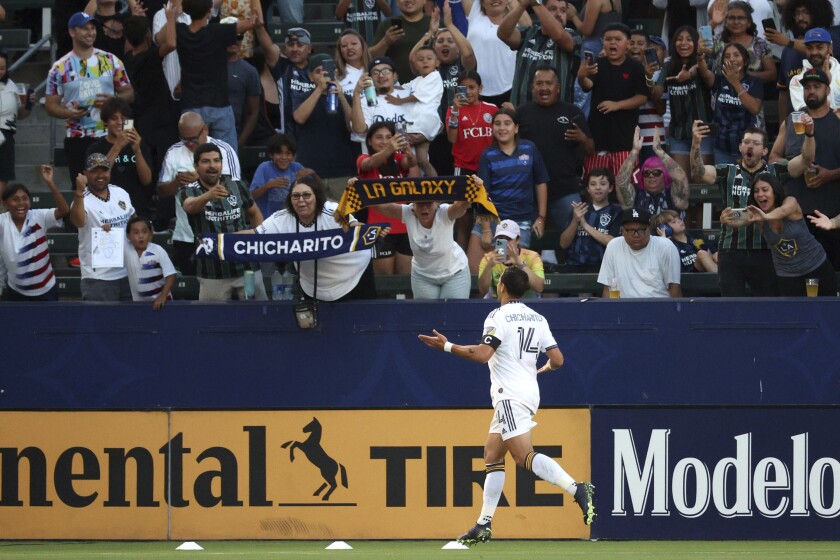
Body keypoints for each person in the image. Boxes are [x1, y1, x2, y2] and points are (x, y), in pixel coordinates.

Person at [418, 266, 595, 547]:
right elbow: (559, 359)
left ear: (501, 286)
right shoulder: (538, 317)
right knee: (492, 454)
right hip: (526, 393)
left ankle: (577, 489)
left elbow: (483, 353)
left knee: (523, 456)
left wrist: (448, 347)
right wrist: (540, 370)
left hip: (510, 395)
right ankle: (483, 524)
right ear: (524, 289)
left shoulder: (497, 316)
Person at [692, 121, 813, 296]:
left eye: (756, 143)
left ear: (764, 151)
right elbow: (698, 171)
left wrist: (809, 135)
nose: (750, 146)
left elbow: (806, 160)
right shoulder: (727, 171)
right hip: (730, 251)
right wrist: (696, 143)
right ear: (741, 147)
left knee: (766, 308)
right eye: (746, 142)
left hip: (766, 251)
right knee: (732, 309)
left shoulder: (776, 171)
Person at [253, 174, 377, 301]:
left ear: (316, 197)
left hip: (354, 278)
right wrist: (230, 241)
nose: (301, 200)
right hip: (313, 287)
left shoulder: (333, 210)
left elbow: (354, 226)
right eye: (295, 196)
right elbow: (252, 236)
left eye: (306, 195)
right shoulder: (281, 218)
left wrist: (370, 230)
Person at [45, 11, 134, 187]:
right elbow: (50, 105)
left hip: (111, 134)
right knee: (82, 188)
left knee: (117, 185)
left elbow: (130, 93)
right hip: (78, 136)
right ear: (72, 32)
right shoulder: (59, 67)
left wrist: (113, 100)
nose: (91, 32)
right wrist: (69, 112)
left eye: (93, 28)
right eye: (85, 28)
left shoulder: (110, 60)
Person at [770, 68, 840, 269]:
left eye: (816, 87)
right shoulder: (792, 120)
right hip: (796, 215)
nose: (811, 91)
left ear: (827, 90)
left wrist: (829, 175)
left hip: (830, 213)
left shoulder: (837, 121)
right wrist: (793, 167)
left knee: (830, 278)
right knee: (798, 278)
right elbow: (774, 157)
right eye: (807, 87)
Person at [723, 173, 836, 295]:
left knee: (826, 308)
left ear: (775, 192)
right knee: (793, 313)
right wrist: (725, 218)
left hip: (816, 266)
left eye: (765, 190)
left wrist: (765, 216)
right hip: (787, 275)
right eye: (756, 191)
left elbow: (782, 211)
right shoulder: (756, 213)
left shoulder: (790, 201)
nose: (760, 194)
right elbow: (735, 218)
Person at [157, 112, 241, 274]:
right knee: (192, 290)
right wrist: (176, 183)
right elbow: (161, 191)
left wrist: (202, 177)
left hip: (220, 232)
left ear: (206, 130)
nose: (189, 144)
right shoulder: (174, 152)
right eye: (184, 139)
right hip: (186, 235)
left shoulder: (223, 150)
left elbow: (236, 189)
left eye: (194, 139)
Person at [179, 143, 264, 301]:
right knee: (211, 321)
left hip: (246, 267)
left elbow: (255, 213)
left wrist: (257, 240)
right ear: (196, 166)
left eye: (216, 160)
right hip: (212, 271)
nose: (212, 166)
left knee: (257, 316)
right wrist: (208, 196)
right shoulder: (189, 190)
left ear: (221, 164)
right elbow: (189, 206)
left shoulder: (237, 185)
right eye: (206, 161)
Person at [516, 65, 594, 236]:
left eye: (549, 84)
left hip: (565, 190)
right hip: (528, 192)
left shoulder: (572, 111)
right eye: (539, 83)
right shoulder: (520, 114)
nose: (544, 88)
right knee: (523, 244)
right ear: (532, 87)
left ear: (558, 88)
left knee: (573, 242)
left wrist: (582, 138)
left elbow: (590, 149)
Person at [470, 107, 549, 273]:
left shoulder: (529, 148)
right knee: (475, 272)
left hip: (520, 221)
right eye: (497, 124)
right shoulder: (487, 155)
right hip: (491, 219)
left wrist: (541, 218)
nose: (502, 128)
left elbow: (541, 182)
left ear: (516, 128)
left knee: (510, 274)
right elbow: (481, 192)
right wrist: (485, 230)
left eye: (507, 123)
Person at [173, 0, 258, 150]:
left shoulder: (179, 31)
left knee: (191, 158)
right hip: (219, 106)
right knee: (226, 156)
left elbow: (161, 39)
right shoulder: (218, 31)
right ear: (208, 11)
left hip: (191, 106)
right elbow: (255, 21)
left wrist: (171, 16)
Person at [370, 181, 472, 299]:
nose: (424, 207)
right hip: (422, 276)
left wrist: (473, 186)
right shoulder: (408, 212)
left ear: (437, 204)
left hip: (455, 272)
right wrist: (359, 190)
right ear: (413, 205)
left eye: (428, 203)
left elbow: (461, 206)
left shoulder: (445, 212)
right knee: (426, 316)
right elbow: (385, 208)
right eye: (420, 203)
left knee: (453, 314)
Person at [576, 23, 648, 178]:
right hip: (598, 140)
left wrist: (617, 105)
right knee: (596, 187)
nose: (612, 43)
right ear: (603, 43)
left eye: (618, 39)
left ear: (627, 44)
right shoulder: (596, 64)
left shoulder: (636, 67)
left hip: (625, 141)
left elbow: (642, 97)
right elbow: (587, 86)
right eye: (608, 39)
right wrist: (581, 76)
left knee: (626, 189)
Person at [291, 52, 360, 201]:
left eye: (327, 71)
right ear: (310, 77)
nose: (324, 76)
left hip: (342, 171)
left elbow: (353, 128)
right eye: (318, 72)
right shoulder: (302, 97)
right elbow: (299, 118)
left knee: (345, 218)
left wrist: (341, 96)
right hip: (311, 171)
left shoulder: (346, 98)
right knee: (312, 215)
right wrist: (318, 90)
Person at [69, 153, 136, 301]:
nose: (100, 175)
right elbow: (78, 221)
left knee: (130, 323)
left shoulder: (121, 193)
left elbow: (134, 221)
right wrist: (79, 191)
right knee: (101, 323)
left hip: (127, 273)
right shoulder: (82, 200)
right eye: (94, 171)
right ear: (85, 174)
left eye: (104, 170)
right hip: (98, 278)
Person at [0, 166, 70, 301]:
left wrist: (50, 183)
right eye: (15, 199)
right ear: (5, 204)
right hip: (16, 291)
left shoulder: (39, 216)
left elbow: (64, 210)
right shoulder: (2, 222)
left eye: (24, 198)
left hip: (46, 290)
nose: (21, 203)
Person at [357, 121, 418, 276]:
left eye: (388, 137)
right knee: (384, 284)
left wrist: (409, 154)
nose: (384, 141)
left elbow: (410, 163)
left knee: (406, 283)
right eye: (379, 137)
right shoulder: (363, 158)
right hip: (379, 229)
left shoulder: (397, 159)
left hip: (404, 226)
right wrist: (391, 147)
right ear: (369, 141)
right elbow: (369, 164)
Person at [498, 0, 579, 106]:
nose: (559, 14)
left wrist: (535, 3)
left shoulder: (573, 36)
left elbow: (558, 36)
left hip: (556, 116)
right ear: (542, 12)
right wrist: (522, 5)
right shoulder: (528, 33)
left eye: (563, 11)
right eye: (553, 9)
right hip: (522, 113)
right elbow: (503, 34)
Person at [86, 96, 155, 219]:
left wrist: (137, 150)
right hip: (105, 211)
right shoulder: (95, 148)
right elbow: (97, 177)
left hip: (137, 209)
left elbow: (147, 180)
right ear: (105, 121)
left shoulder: (140, 145)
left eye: (123, 119)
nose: (119, 122)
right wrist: (117, 146)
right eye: (114, 118)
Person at [382, 45, 444, 176]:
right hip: (420, 122)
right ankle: (438, 189)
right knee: (422, 160)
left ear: (437, 62)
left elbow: (416, 96)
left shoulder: (435, 76)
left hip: (423, 121)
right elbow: (404, 88)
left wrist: (399, 101)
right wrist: (387, 85)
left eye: (429, 58)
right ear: (415, 64)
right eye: (421, 59)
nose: (425, 61)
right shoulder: (418, 79)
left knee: (401, 141)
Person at [597, 208, 682, 298]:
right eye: (630, 230)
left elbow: (674, 288)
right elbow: (607, 287)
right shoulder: (613, 246)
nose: (636, 235)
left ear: (649, 229)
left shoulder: (665, 246)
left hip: (657, 306)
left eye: (641, 230)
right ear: (622, 230)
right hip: (624, 307)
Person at [665, 26, 714, 176]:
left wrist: (694, 68)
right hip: (678, 133)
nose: (683, 43)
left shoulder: (706, 62)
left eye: (689, 39)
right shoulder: (667, 65)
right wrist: (649, 77)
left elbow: (709, 79)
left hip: (703, 131)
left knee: (701, 181)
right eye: (679, 39)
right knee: (681, 183)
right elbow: (656, 92)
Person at [462, 0, 528, 105]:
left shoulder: (517, 16)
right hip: (476, 91)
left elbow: (529, 27)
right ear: (482, 3)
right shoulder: (475, 12)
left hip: (510, 89)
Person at [708, 42, 764, 164]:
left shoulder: (754, 82)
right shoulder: (718, 80)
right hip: (721, 146)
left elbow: (755, 109)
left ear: (744, 60)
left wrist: (735, 82)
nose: (731, 59)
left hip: (747, 146)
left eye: (736, 55)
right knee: (725, 181)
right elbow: (703, 71)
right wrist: (700, 55)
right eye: (727, 56)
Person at [615, 126, 690, 217]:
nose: (651, 176)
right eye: (646, 173)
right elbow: (621, 183)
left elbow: (681, 179)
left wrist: (660, 152)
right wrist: (634, 151)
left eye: (656, 173)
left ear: (665, 175)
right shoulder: (636, 194)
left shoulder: (673, 194)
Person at [559, 167, 621, 272]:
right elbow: (563, 244)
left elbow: (612, 242)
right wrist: (575, 221)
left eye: (602, 184)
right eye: (593, 184)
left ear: (610, 188)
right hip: (574, 267)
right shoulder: (579, 210)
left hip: (604, 269)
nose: (598, 187)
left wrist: (584, 225)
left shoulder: (617, 212)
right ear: (587, 189)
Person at [709, 1, 777, 84]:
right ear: (725, 22)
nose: (736, 22)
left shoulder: (759, 44)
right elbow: (698, 44)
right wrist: (713, 23)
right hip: (721, 93)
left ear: (749, 23)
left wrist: (744, 75)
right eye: (731, 18)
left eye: (741, 18)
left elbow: (772, 74)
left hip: (751, 94)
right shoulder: (717, 41)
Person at [477, 219, 545, 298]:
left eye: (508, 239)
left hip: (527, 303)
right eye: (501, 238)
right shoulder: (488, 259)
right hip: (499, 304)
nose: (504, 242)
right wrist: (489, 266)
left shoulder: (532, 256)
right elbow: (482, 290)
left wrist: (520, 263)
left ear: (517, 240)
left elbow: (539, 287)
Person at [223, 17, 263, 149]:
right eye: (229, 37)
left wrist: (239, 141)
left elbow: (253, 112)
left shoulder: (249, 71)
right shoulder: (205, 64)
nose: (235, 41)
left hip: (232, 135)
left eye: (239, 37)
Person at [369, 0, 432, 82]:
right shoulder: (387, 25)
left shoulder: (435, 24)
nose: (408, 0)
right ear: (397, 2)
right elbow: (371, 57)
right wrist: (386, 41)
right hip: (397, 88)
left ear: (424, 1)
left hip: (431, 85)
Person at [627, 29, 666, 162]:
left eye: (640, 43)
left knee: (655, 179)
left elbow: (661, 109)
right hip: (628, 138)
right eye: (631, 43)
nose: (635, 47)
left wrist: (647, 77)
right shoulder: (621, 69)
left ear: (648, 47)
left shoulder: (659, 72)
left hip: (653, 138)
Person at [124, 215, 177, 308]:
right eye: (136, 232)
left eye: (144, 232)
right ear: (128, 236)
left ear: (151, 234)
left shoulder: (158, 250)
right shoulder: (126, 250)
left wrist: (162, 296)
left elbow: (171, 274)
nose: (141, 236)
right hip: (139, 305)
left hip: (162, 303)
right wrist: (106, 230)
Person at [0, 52, 35, 192]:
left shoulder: (12, 85)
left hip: (7, 135)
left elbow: (20, 114)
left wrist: (28, 105)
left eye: (2, 68)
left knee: (3, 175)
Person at [250, 133, 304, 219]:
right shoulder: (264, 168)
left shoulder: (297, 167)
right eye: (279, 153)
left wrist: (313, 174)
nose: (284, 157)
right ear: (271, 155)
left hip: (291, 219)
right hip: (267, 220)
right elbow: (251, 197)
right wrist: (268, 186)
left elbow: (314, 191)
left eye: (288, 154)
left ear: (293, 156)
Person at [789, 28, 840, 112]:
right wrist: (824, 80)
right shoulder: (797, 81)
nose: (814, 52)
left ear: (830, 48)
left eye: (819, 47)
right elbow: (809, 115)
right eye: (810, 48)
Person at [651, 209, 718, 273]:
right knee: (701, 254)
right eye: (674, 222)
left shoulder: (696, 235)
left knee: (716, 255)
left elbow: (714, 253)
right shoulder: (669, 245)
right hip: (687, 278)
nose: (680, 221)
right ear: (665, 228)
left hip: (706, 270)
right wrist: (664, 240)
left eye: (679, 219)